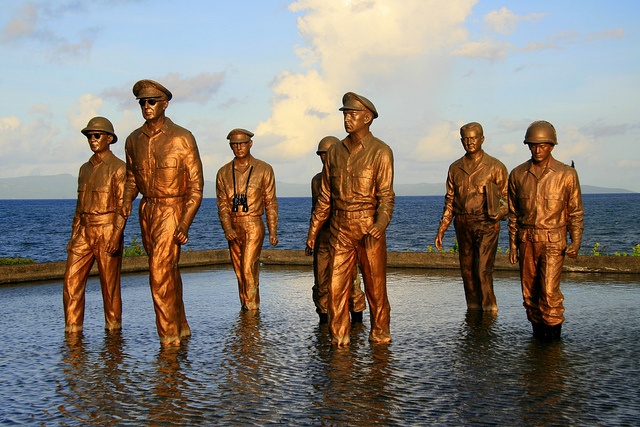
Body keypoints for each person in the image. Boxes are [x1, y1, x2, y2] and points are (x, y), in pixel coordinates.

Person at [306, 92, 395, 347]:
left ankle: (380, 335)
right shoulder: (334, 152)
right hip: (340, 228)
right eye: (345, 114)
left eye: (352, 114)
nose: (347, 119)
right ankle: (339, 338)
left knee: (375, 289)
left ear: (367, 118)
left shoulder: (381, 152)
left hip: (368, 227)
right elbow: (325, 198)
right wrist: (313, 232)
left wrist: (380, 224)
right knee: (335, 289)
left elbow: (387, 197)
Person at [122, 79, 204, 346]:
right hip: (147, 210)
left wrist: (185, 222)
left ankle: (168, 341)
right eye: (142, 102)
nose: (146, 107)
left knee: (158, 273)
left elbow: (195, 187)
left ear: (165, 104)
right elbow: (132, 178)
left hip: (172, 208)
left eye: (152, 102)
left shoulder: (182, 137)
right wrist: (125, 201)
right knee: (168, 270)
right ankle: (181, 326)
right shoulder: (132, 140)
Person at [508, 120, 584, 340]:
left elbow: (575, 212)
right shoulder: (518, 174)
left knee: (549, 293)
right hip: (527, 240)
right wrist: (513, 244)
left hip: (553, 241)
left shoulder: (566, 174)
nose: (537, 149)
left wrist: (576, 241)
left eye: (542, 145)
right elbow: (513, 214)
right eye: (532, 145)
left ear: (552, 145)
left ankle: (552, 347)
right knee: (529, 295)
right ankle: (538, 343)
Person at [435, 122, 508, 311]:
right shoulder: (455, 168)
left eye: (473, 138)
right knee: (467, 271)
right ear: (461, 141)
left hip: (487, 223)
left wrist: (499, 213)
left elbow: (508, 200)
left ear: (482, 139)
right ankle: (474, 310)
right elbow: (450, 200)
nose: (470, 142)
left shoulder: (496, 167)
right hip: (463, 223)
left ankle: (489, 310)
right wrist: (442, 228)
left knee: (482, 269)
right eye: (466, 139)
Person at [63, 117, 126, 333]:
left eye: (97, 135)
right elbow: (79, 208)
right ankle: (72, 332)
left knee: (109, 287)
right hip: (83, 231)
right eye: (89, 136)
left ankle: (113, 333)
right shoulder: (84, 169)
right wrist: (74, 236)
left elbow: (122, 207)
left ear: (109, 138)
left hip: (107, 228)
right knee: (71, 282)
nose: (92, 139)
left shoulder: (118, 168)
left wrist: (116, 235)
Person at [216, 128, 278, 311]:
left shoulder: (264, 169)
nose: (238, 147)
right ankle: (246, 306)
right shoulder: (223, 172)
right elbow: (222, 206)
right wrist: (227, 228)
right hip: (234, 224)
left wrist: (273, 230)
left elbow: (271, 203)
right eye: (234, 145)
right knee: (239, 272)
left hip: (253, 223)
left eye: (242, 143)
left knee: (248, 268)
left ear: (250, 144)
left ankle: (251, 311)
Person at [306, 136, 366, 325]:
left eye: (328, 154)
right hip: (323, 238)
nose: (325, 159)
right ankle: (323, 320)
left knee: (351, 282)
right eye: (322, 155)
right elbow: (315, 210)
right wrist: (312, 235)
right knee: (322, 282)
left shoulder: (349, 176)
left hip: (344, 237)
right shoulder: (316, 181)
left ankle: (357, 320)